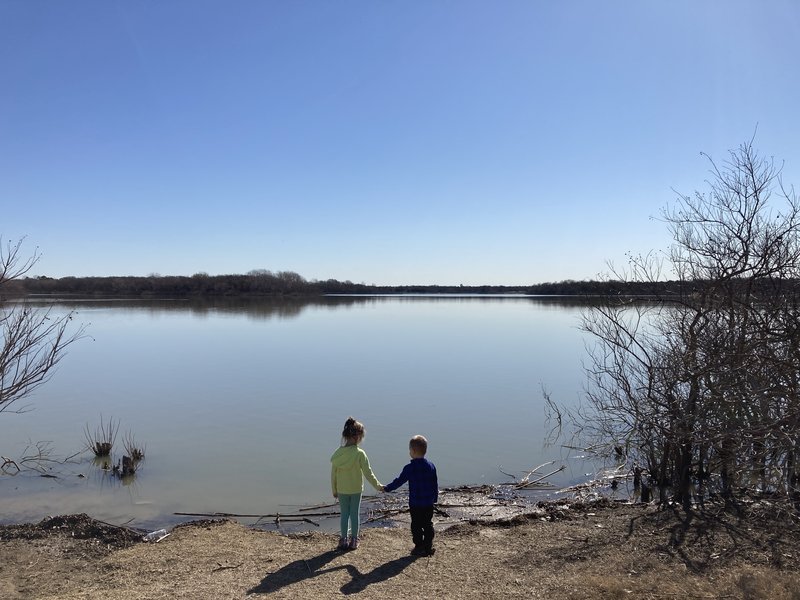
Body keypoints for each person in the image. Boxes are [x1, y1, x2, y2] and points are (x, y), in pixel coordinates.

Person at [330, 417, 384, 550]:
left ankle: (343, 540)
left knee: (344, 514)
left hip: (342, 489)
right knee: (354, 514)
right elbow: (368, 473)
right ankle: (354, 540)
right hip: (355, 489)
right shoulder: (360, 454)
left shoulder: (338, 454)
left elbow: (333, 475)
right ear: (357, 437)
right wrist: (378, 486)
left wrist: (334, 490)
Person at [383, 434, 438, 556]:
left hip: (415, 503)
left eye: (409, 450)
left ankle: (419, 546)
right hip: (428, 502)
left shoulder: (409, 468)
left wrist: (387, 488)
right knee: (428, 524)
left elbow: (399, 481)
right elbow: (434, 483)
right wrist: (435, 498)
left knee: (416, 525)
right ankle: (428, 545)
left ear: (412, 451)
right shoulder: (431, 466)